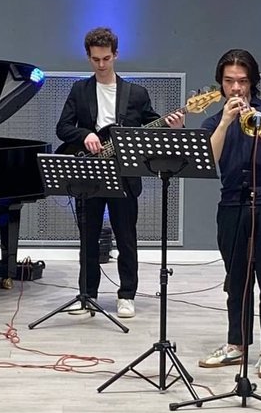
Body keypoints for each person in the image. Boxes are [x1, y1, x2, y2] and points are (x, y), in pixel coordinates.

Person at [55, 27, 183, 319]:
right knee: (88, 238)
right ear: (88, 57)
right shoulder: (79, 90)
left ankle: (127, 295)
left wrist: (173, 126)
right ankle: (87, 295)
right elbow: (63, 127)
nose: (101, 65)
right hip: (89, 170)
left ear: (116, 55)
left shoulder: (136, 93)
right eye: (95, 59)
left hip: (125, 173)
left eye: (106, 58)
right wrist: (85, 135)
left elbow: (153, 126)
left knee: (126, 238)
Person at [197, 49, 261, 379]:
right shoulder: (214, 121)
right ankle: (236, 344)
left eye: (242, 81)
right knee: (236, 282)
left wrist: (260, 124)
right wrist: (225, 122)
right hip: (231, 206)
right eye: (229, 82)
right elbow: (209, 161)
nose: (236, 88)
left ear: (252, 82)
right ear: (220, 84)